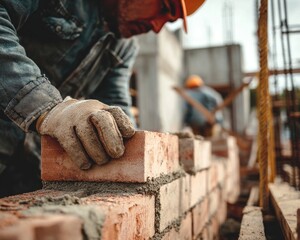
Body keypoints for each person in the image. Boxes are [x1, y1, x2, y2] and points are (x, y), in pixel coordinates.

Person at [0, 0, 206, 197]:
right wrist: (48, 109)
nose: (157, 26)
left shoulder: (122, 47)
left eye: (168, 21)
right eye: (163, 7)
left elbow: (115, 105)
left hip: (26, 162)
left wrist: (138, 156)